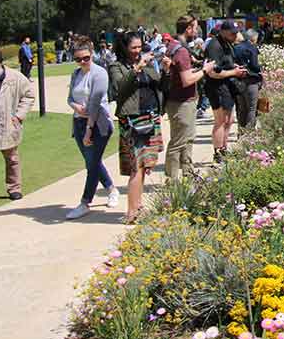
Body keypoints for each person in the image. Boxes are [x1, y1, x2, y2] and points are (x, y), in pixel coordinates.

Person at [108, 31, 167, 223]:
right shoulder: (116, 66)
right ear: (124, 48)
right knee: (136, 166)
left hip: (149, 118)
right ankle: (131, 213)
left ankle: (138, 206)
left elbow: (159, 85)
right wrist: (136, 69)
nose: (137, 51)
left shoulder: (148, 64)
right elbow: (119, 88)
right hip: (132, 122)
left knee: (144, 167)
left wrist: (166, 71)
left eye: (140, 47)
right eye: (133, 47)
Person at [66, 37, 119, 219]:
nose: (82, 62)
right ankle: (112, 189)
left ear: (92, 54)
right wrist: (76, 108)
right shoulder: (75, 74)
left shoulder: (100, 73)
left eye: (86, 58)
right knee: (92, 162)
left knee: (93, 163)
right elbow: (70, 98)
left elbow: (96, 104)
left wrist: (89, 130)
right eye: (78, 59)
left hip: (99, 123)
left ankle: (85, 202)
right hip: (79, 122)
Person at [0, 48, 34, 201]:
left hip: (7, 128)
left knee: (12, 160)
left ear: (0, 63)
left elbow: (29, 96)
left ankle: (14, 188)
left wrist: (19, 115)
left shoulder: (15, 78)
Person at [164, 16, 214, 180]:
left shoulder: (172, 46)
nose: (197, 31)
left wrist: (196, 68)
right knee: (178, 141)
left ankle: (188, 172)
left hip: (178, 100)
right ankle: (172, 180)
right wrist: (205, 70)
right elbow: (187, 81)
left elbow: (179, 74)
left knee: (188, 138)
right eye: (195, 27)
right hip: (182, 102)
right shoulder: (182, 51)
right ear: (188, 29)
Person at [204, 20, 247, 163]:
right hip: (216, 87)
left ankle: (224, 148)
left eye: (236, 32)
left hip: (226, 86)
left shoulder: (227, 42)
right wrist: (233, 72)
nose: (236, 35)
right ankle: (218, 153)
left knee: (229, 120)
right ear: (223, 31)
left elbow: (225, 62)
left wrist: (233, 67)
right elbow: (212, 72)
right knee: (220, 121)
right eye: (232, 33)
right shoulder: (214, 46)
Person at [233, 29, 263, 132]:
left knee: (242, 108)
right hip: (251, 81)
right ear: (254, 38)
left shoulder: (235, 47)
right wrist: (261, 67)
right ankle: (249, 134)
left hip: (238, 81)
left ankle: (241, 132)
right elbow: (254, 65)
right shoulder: (252, 47)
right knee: (251, 108)